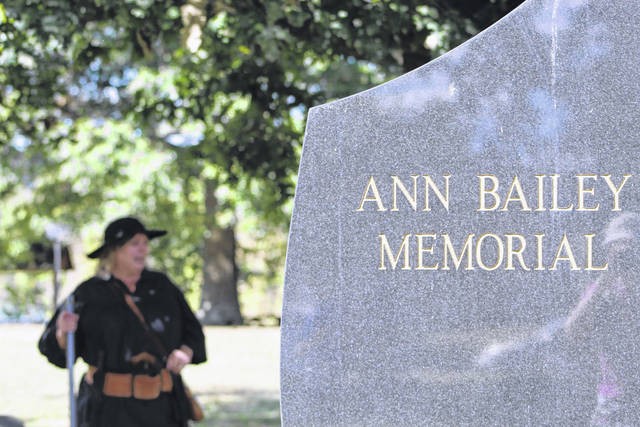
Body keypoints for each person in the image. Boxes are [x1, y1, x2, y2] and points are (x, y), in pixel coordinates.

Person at [38, 216, 207, 427]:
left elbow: (194, 333)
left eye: (145, 243)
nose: (143, 250)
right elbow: (56, 350)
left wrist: (185, 352)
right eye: (134, 244)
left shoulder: (163, 287)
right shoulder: (89, 293)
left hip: (162, 409)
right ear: (114, 251)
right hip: (107, 410)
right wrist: (63, 332)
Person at [564, 212, 640, 426]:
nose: (624, 255)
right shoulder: (602, 292)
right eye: (617, 248)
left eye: (630, 249)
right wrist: (606, 277)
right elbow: (574, 333)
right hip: (612, 403)